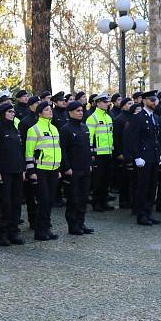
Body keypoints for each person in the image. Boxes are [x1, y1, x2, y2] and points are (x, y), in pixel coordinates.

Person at [0, 102, 25, 246]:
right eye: (10, 111)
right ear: (3, 113)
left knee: (16, 203)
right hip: (4, 173)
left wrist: (22, 169)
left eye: (13, 112)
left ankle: (13, 231)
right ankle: (2, 233)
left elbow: (19, 152)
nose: (13, 114)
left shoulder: (15, 130)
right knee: (5, 203)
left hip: (16, 171)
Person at [25, 100, 62, 240]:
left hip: (53, 169)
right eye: (47, 110)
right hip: (40, 170)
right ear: (39, 113)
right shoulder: (33, 129)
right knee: (43, 200)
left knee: (50, 200)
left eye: (50, 109)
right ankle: (40, 231)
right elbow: (28, 153)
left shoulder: (54, 129)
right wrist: (31, 172)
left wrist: (58, 168)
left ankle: (47, 229)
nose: (50, 111)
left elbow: (57, 150)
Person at [125, 91, 161, 226]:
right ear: (145, 101)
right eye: (152, 100)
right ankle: (141, 215)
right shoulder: (138, 117)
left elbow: (156, 139)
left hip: (153, 156)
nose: (154, 102)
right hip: (143, 158)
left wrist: (159, 155)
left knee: (152, 187)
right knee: (143, 187)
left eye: (155, 100)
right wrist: (136, 157)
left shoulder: (155, 117)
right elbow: (132, 139)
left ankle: (148, 213)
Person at [59, 100, 93, 235]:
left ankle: (81, 223)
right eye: (77, 111)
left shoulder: (84, 127)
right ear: (70, 112)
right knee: (73, 198)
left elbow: (87, 149)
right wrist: (66, 167)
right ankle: (73, 225)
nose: (80, 113)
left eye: (81, 110)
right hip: (73, 169)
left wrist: (90, 164)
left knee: (83, 197)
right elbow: (63, 150)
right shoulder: (65, 129)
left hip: (85, 168)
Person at [86, 92, 114, 211]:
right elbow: (89, 138)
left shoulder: (108, 117)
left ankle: (104, 201)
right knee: (98, 180)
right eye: (105, 102)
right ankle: (96, 203)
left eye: (108, 102)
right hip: (98, 154)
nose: (107, 104)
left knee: (106, 179)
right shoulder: (92, 118)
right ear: (97, 103)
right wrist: (91, 153)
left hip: (108, 153)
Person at [18, 95, 40, 230]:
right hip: (31, 163)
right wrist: (25, 166)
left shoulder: (44, 120)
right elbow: (23, 146)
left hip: (44, 163)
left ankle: (42, 220)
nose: (39, 105)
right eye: (36, 103)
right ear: (31, 105)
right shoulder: (25, 122)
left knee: (42, 194)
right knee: (32, 194)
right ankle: (33, 221)